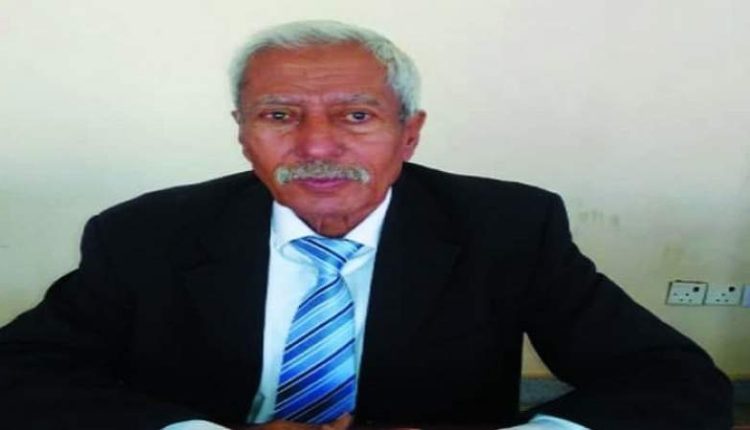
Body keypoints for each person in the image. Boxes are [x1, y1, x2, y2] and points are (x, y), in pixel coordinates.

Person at [0, 20, 733, 430]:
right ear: (243, 134)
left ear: (409, 135)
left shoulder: (508, 226)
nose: (317, 147)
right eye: (279, 115)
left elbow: (675, 381)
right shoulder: (146, 233)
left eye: (356, 116)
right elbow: (22, 371)